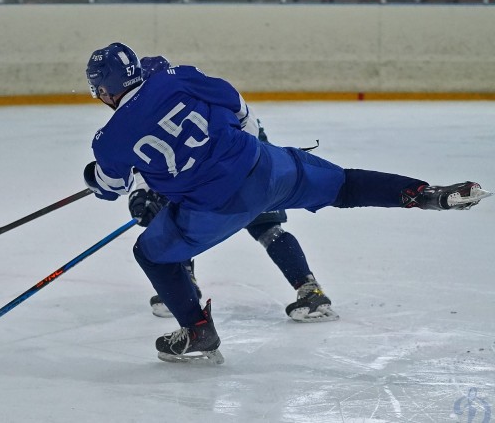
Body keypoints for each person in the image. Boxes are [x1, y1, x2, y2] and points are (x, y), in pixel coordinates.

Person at [83, 42, 490, 365]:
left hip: (213, 206)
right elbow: (234, 103)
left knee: (152, 254)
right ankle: (426, 194)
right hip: (266, 166)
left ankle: (197, 330)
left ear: (103, 89)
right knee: (343, 185)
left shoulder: (110, 138)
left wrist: (98, 179)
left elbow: (111, 185)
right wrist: (245, 142)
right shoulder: (177, 78)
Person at [131, 55, 337, 324]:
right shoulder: (169, 103)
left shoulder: (195, 102)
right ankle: (186, 285)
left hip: (249, 163)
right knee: (185, 220)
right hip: (240, 167)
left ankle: (311, 291)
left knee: (256, 226)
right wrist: (143, 190)